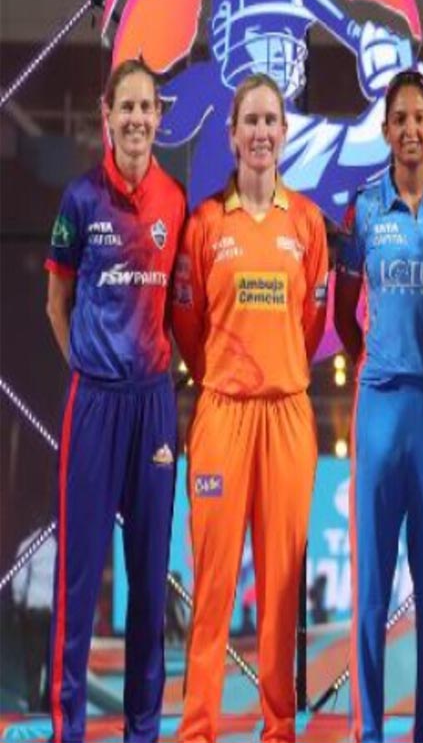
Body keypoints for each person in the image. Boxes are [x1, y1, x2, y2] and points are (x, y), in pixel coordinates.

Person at [172, 72, 329, 743]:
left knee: (282, 584)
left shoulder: (307, 223)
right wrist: (224, 375)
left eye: (271, 120)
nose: (261, 132)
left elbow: (311, 324)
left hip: (287, 415)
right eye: (251, 122)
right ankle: (198, 728)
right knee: (212, 583)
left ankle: (278, 727)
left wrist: (276, 371)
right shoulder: (206, 223)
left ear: (284, 133)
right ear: (232, 135)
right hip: (222, 414)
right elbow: (186, 324)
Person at [44, 57, 186, 743]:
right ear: (107, 115)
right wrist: (89, 366)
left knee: (149, 583)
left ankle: (142, 732)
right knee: (77, 581)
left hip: (153, 404)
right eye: (124, 106)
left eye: (145, 107)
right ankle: (68, 729)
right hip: (94, 403)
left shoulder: (175, 201)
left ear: (159, 117)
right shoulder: (80, 198)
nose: (135, 119)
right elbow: (57, 303)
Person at [333, 68, 423, 743]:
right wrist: (380, 360)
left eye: (422, 118)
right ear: (387, 130)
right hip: (379, 407)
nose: (412, 129)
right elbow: (344, 311)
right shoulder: (363, 210)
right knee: (372, 585)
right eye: (401, 119)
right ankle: (369, 732)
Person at [11, 528, 55, 712]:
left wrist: (18, 602)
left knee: (33, 664)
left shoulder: (27, 545)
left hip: (34, 611)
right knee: (52, 662)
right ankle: (48, 705)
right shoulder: (56, 547)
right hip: (53, 611)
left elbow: (18, 580)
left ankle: (34, 705)